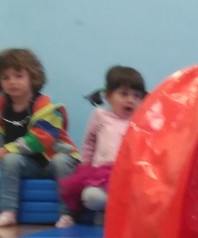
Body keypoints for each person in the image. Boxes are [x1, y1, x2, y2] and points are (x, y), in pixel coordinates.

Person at [0, 48, 77, 227]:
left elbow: (40, 139)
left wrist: (5, 150)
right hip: (29, 164)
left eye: (18, 76)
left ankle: (68, 214)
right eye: (5, 77)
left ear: (32, 77)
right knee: (9, 160)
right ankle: (8, 212)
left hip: (53, 158)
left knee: (61, 161)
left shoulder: (47, 107)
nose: (12, 82)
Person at [56, 65, 147, 227]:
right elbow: (89, 142)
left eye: (136, 96)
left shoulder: (140, 121)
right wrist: (86, 165)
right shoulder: (100, 116)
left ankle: (112, 214)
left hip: (130, 177)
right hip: (102, 175)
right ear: (108, 96)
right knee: (90, 197)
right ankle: (111, 211)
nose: (130, 100)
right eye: (124, 94)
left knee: (145, 197)